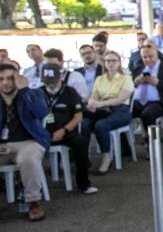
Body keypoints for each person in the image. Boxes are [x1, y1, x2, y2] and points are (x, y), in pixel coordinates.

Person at [0, 63, 50, 221]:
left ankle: (33, 201)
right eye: (1, 79)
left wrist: (24, 90)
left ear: (18, 78)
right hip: (3, 145)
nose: (6, 82)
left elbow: (42, 112)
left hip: (29, 142)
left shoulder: (32, 93)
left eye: (10, 78)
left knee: (28, 158)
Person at [40, 64, 97, 195]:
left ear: (60, 77)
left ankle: (84, 183)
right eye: (47, 81)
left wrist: (64, 130)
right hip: (43, 133)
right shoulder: (38, 93)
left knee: (81, 141)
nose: (50, 85)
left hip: (66, 132)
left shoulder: (70, 92)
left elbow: (78, 116)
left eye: (53, 81)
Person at [86, 51, 134, 175]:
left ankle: (106, 156)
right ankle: (83, 158)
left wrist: (100, 104)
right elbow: (94, 96)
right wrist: (91, 102)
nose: (111, 63)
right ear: (104, 63)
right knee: (84, 124)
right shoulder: (100, 79)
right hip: (102, 110)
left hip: (121, 110)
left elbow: (121, 99)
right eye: (108, 61)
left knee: (101, 125)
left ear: (119, 63)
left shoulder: (126, 78)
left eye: (114, 61)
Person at [130, 43, 163, 136]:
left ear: (157, 54)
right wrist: (136, 82)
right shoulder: (138, 69)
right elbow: (128, 86)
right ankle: (125, 146)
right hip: (137, 102)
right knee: (120, 115)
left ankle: (152, 142)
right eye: (145, 57)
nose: (148, 59)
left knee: (147, 114)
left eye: (151, 56)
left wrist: (158, 83)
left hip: (159, 102)